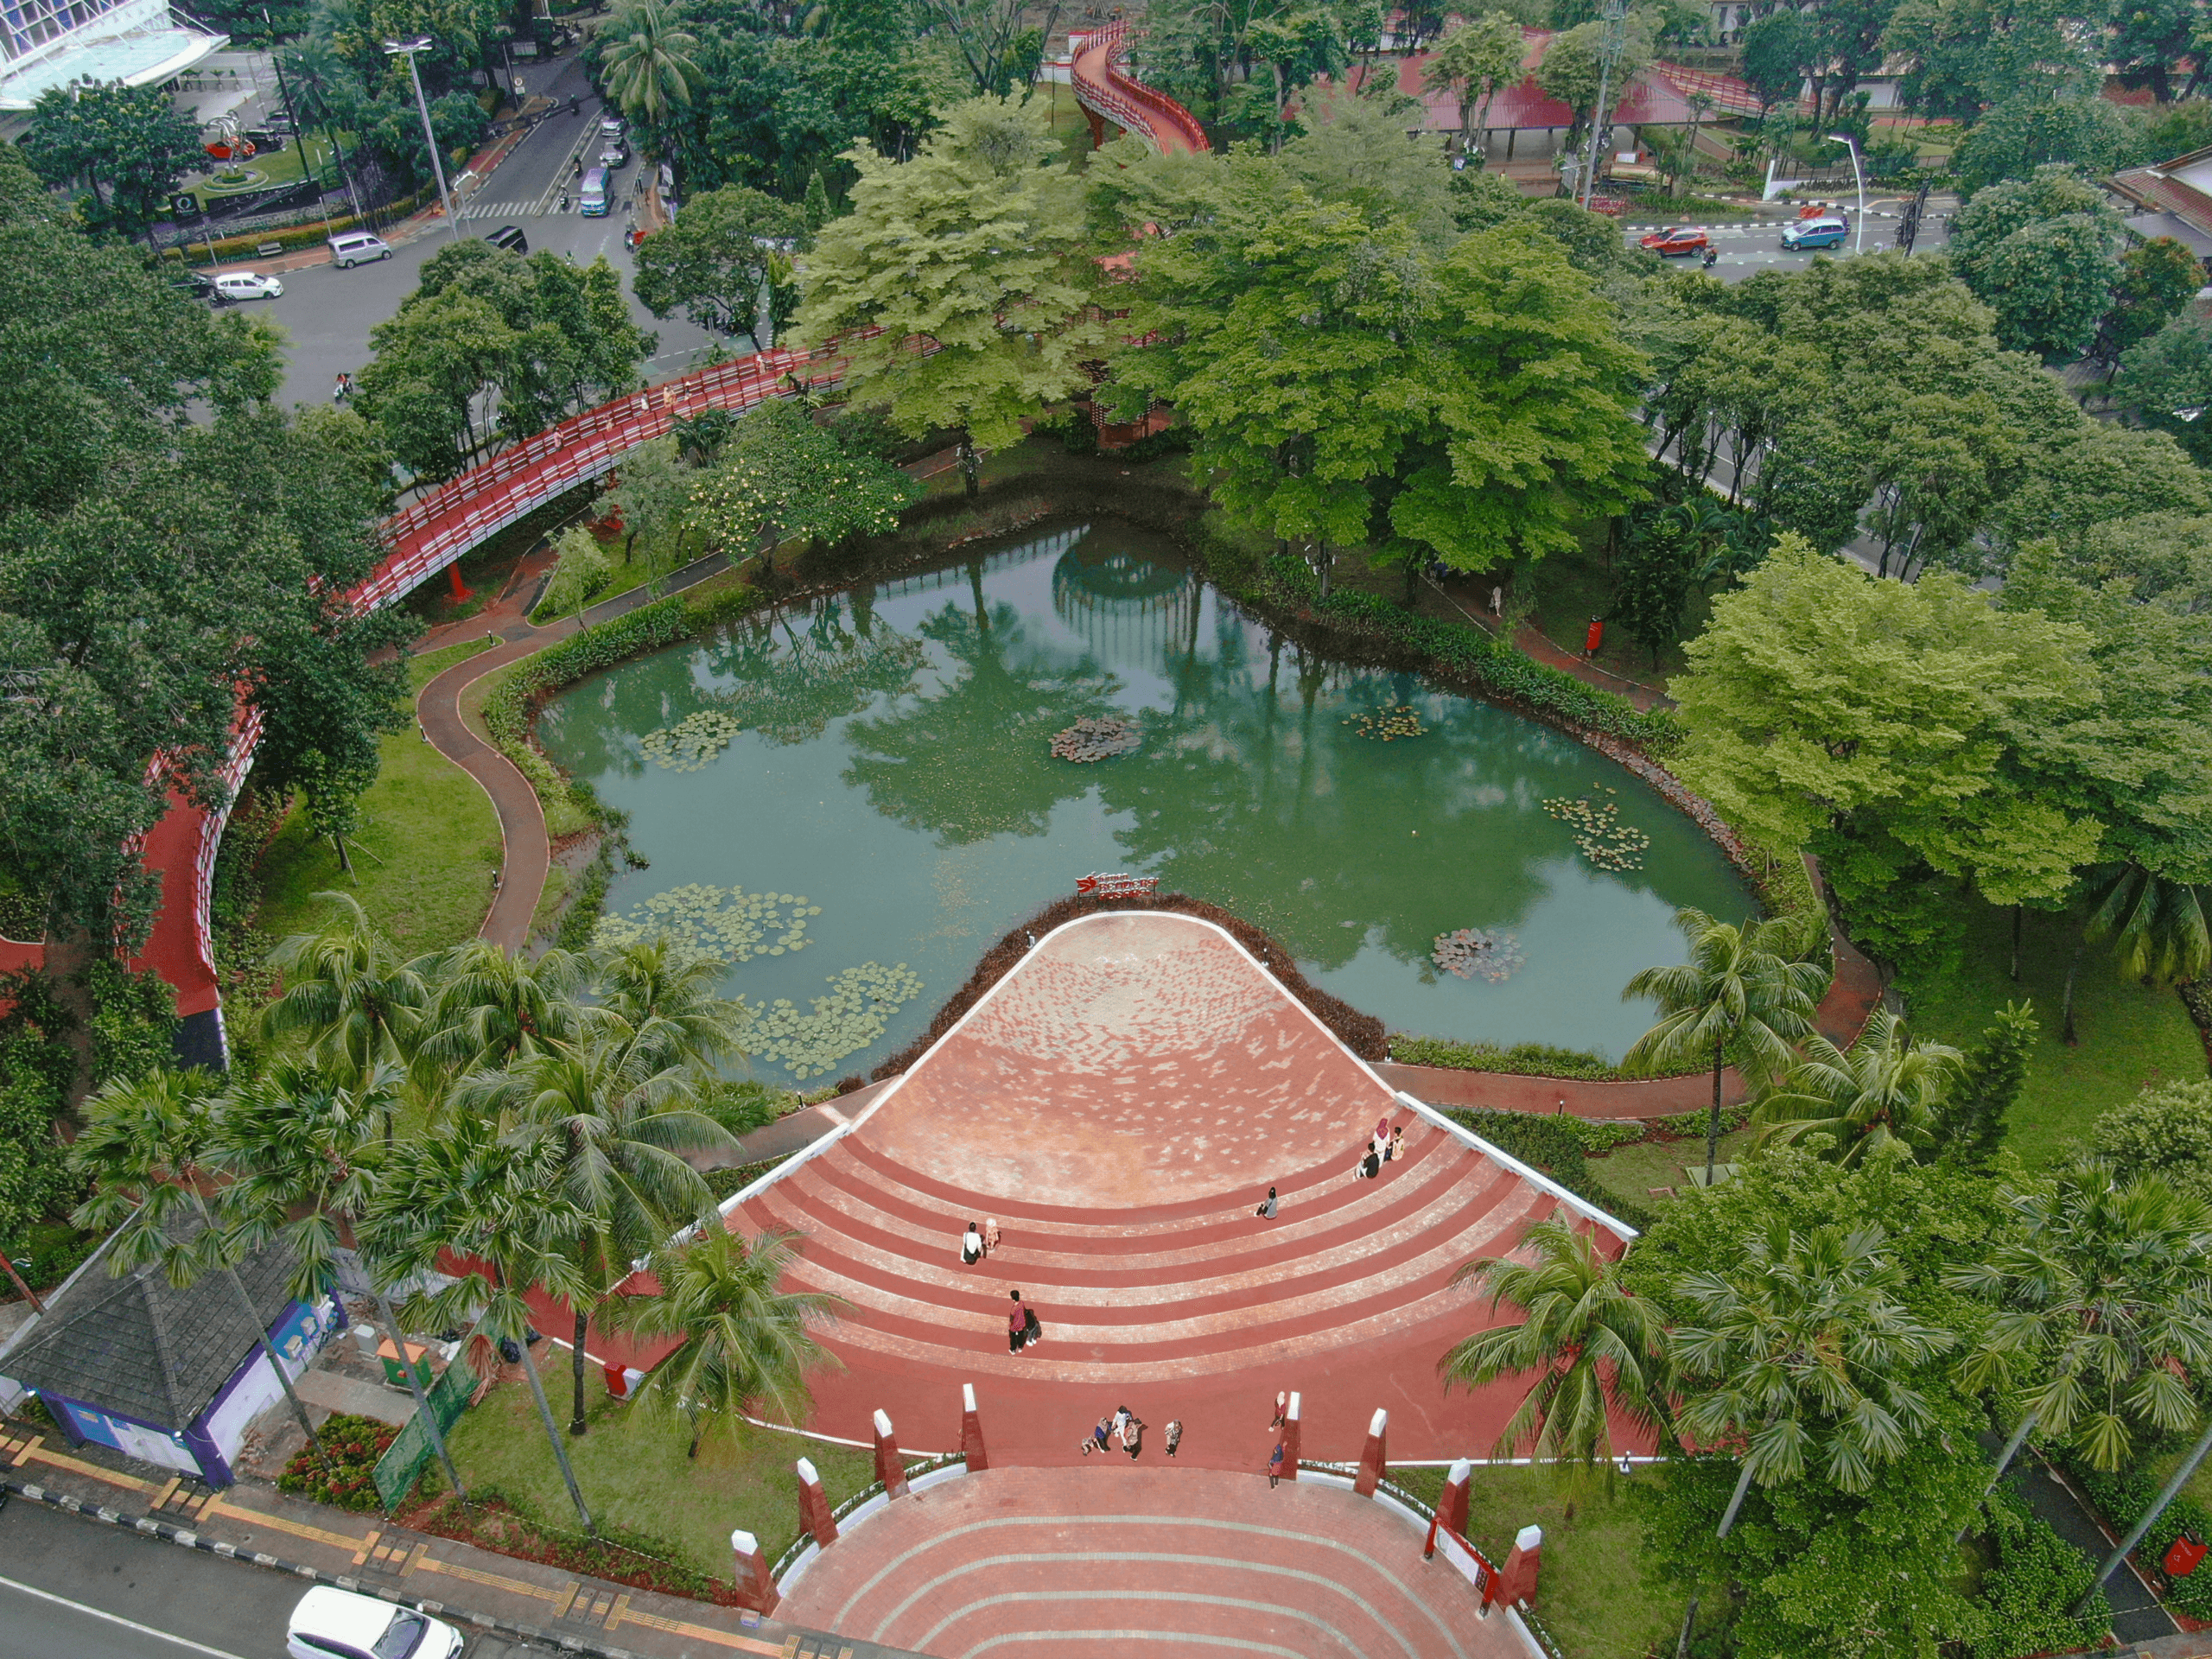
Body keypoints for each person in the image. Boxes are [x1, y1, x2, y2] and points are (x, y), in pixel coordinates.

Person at [1007, 1291, 1027, 1355]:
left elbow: (1011, 1319)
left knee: (1012, 1338)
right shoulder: (1022, 1303)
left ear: (1013, 1299)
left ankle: (1013, 1349)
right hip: (1022, 1323)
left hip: (1014, 1326)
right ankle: (1020, 1347)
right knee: (1020, 1336)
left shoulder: (1013, 1309)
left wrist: (1009, 1325)